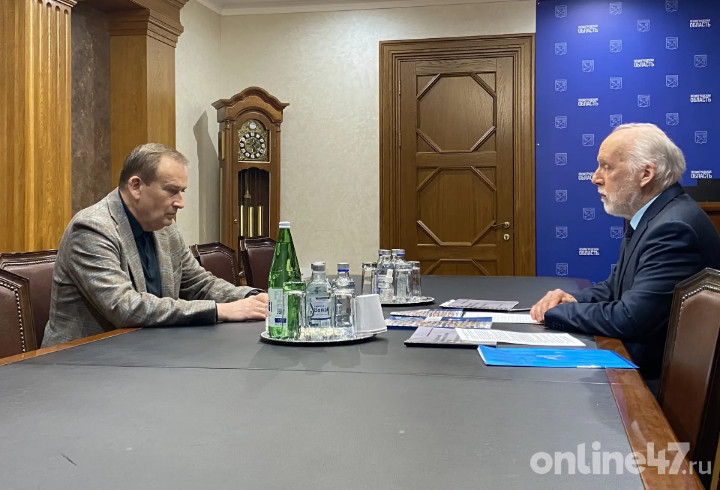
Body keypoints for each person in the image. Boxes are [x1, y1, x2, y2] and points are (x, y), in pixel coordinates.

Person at [530, 123, 720, 380]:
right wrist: (570, 300)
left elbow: (631, 318)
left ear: (645, 174)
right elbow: (614, 288)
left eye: (606, 167)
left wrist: (554, 313)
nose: (595, 177)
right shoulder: (655, 216)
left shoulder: (673, 228)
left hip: (654, 382)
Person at [42, 143, 269, 347]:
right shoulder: (92, 228)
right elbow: (125, 307)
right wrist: (220, 311)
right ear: (136, 186)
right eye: (172, 191)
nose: (180, 203)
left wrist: (252, 297)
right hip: (82, 362)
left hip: (147, 352)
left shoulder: (165, 229)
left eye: (182, 191)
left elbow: (200, 284)